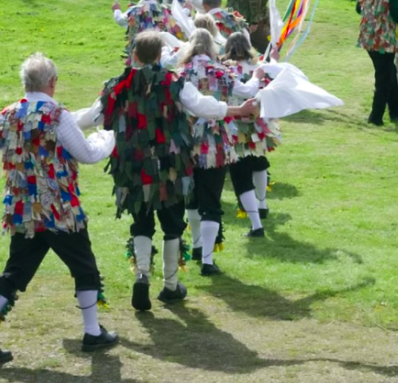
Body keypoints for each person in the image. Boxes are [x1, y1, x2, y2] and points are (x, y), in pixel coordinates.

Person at [0, 54, 118, 364]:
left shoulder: (7, 115)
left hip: (23, 208)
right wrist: (109, 139)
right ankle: (92, 332)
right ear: (52, 82)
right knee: (84, 266)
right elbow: (86, 153)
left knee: (16, 270)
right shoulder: (56, 115)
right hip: (59, 208)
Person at [90, 32, 258, 311]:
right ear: (159, 56)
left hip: (133, 168)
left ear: (134, 55)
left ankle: (142, 275)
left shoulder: (118, 85)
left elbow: (92, 115)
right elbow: (204, 107)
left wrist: (58, 120)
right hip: (170, 166)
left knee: (141, 222)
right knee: (172, 223)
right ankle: (170, 285)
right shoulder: (174, 83)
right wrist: (238, 109)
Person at [179, 30, 262, 275]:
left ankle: (195, 245)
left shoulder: (181, 73)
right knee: (211, 201)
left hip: (186, 141)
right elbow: (247, 92)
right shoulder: (221, 71)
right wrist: (257, 76)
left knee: (192, 197)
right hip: (216, 142)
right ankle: (206, 260)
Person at [223, 32, 280, 232]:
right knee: (258, 161)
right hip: (257, 125)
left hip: (233, 126)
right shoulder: (258, 67)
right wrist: (274, 57)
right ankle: (262, 203)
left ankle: (256, 225)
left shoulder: (224, 70)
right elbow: (274, 76)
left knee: (241, 173)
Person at [113, 0, 185, 65]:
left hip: (138, 50)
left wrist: (116, 9)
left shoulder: (134, 10)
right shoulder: (164, 11)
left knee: (137, 74)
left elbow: (119, 20)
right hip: (156, 50)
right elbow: (173, 28)